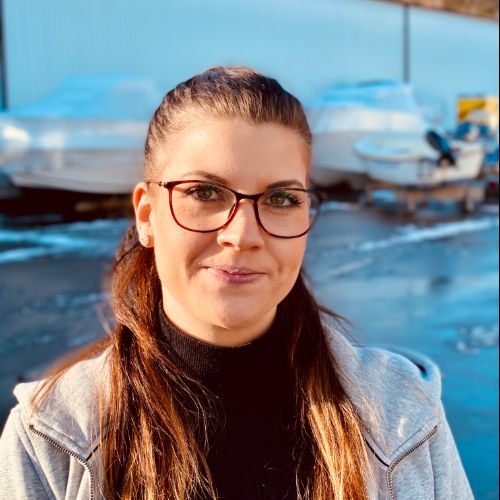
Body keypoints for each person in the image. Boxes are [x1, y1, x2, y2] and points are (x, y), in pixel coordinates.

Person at [0, 66, 472, 500]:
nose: (242, 235)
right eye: (204, 193)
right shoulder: (50, 441)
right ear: (146, 215)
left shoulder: (403, 416)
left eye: (281, 199)